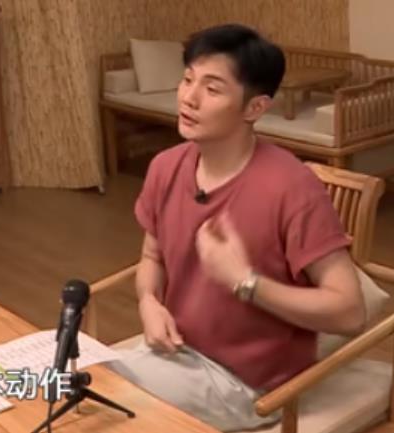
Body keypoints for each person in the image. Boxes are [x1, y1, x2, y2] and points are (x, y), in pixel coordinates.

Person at [107, 24, 366, 431]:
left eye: (212, 89)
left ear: (255, 108)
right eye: (187, 79)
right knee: (73, 385)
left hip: (247, 386)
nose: (189, 97)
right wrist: (148, 303)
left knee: (102, 404)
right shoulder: (165, 167)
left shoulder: (292, 188)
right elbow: (151, 257)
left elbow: (349, 312)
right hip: (175, 355)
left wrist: (245, 282)